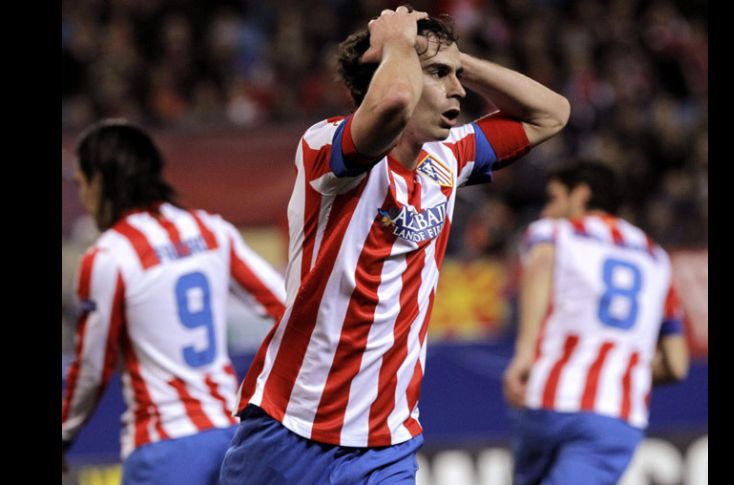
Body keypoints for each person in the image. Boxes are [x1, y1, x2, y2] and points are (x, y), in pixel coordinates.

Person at [220, 6, 570, 484]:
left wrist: (456, 59)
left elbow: (552, 113)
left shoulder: (448, 157)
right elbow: (394, 102)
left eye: (456, 76)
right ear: (388, 70)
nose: (459, 90)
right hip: (291, 429)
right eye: (439, 75)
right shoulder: (327, 148)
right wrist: (400, 44)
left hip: (386, 443)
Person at [61, 119, 287, 484]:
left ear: (98, 181)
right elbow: (288, 306)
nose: (84, 198)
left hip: (162, 450)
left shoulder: (108, 256)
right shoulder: (210, 229)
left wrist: (65, 432)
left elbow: (93, 366)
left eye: (81, 183)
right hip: (230, 440)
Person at [502, 160, 690, 485]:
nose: (547, 210)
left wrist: (524, 353)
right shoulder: (657, 259)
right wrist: (620, 371)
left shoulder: (554, 232)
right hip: (615, 413)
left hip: (549, 398)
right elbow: (676, 365)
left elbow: (541, 262)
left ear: (581, 194)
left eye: (554, 199)